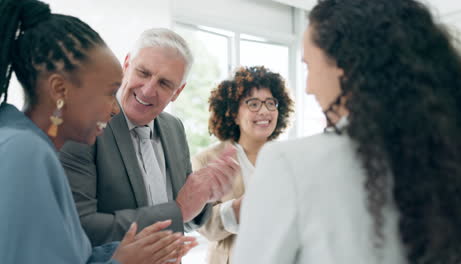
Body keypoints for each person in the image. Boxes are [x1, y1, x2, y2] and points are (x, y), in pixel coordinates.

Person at [233, 0, 461, 263]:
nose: (308, 87)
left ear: (345, 63)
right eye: (252, 104)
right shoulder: (451, 157)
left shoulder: (289, 164)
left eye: (309, 66)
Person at [0, 0, 197, 263]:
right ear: (60, 91)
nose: (115, 109)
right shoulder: (25, 150)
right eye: (108, 92)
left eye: (164, 83)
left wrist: (119, 255)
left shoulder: (26, 144)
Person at [59, 28, 239, 246]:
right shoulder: (84, 123)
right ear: (126, 65)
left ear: (178, 92)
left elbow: (182, 222)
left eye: (164, 83)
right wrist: (178, 211)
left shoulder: (174, 128)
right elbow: (81, 226)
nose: (147, 90)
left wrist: (204, 196)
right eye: (143, 73)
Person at [194, 66, 294, 264]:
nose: (264, 111)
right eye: (253, 104)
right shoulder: (207, 160)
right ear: (233, 113)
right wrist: (239, 207)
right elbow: (203, 226)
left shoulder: (289, 158)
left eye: (270, 103)